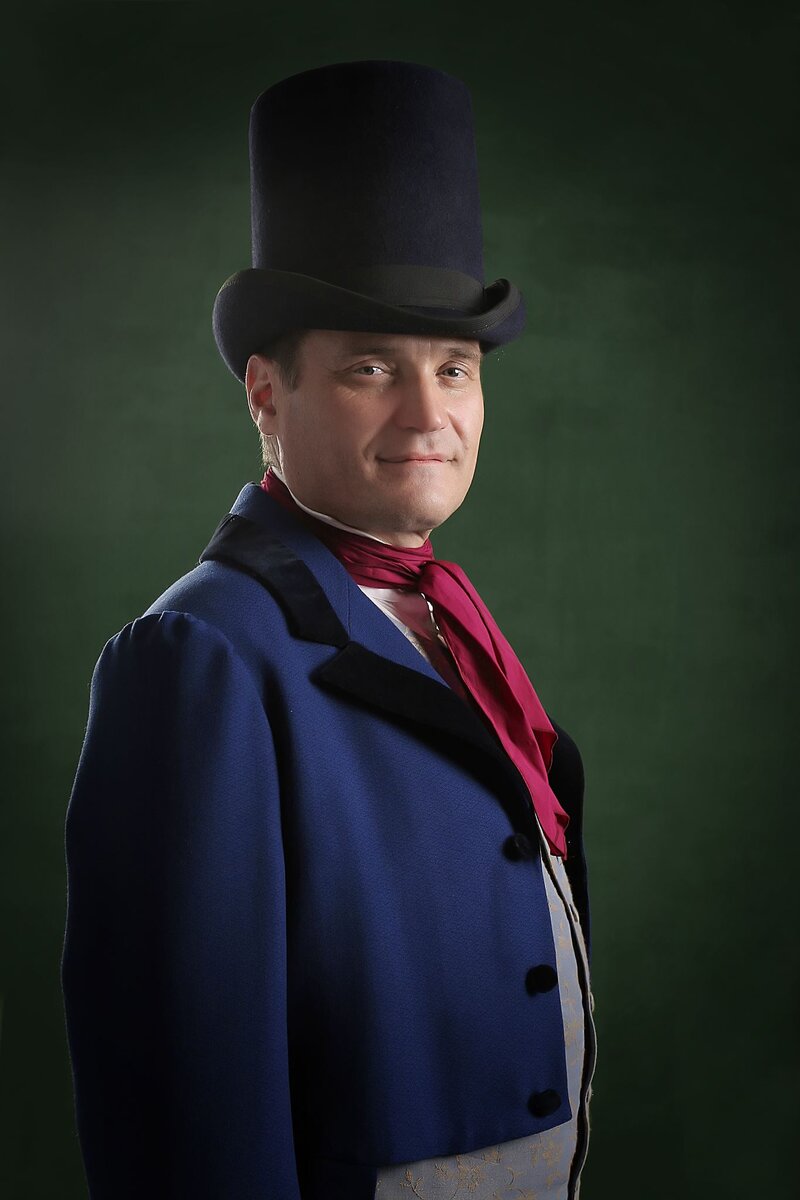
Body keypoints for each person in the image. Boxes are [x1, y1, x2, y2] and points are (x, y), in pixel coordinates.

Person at [61, 60, 597, 1200]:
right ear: (266, 392)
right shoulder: (198, 655)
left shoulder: (449, 620)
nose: (430, 415)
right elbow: (183, 1108)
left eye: (453, 369)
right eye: (370, 367)